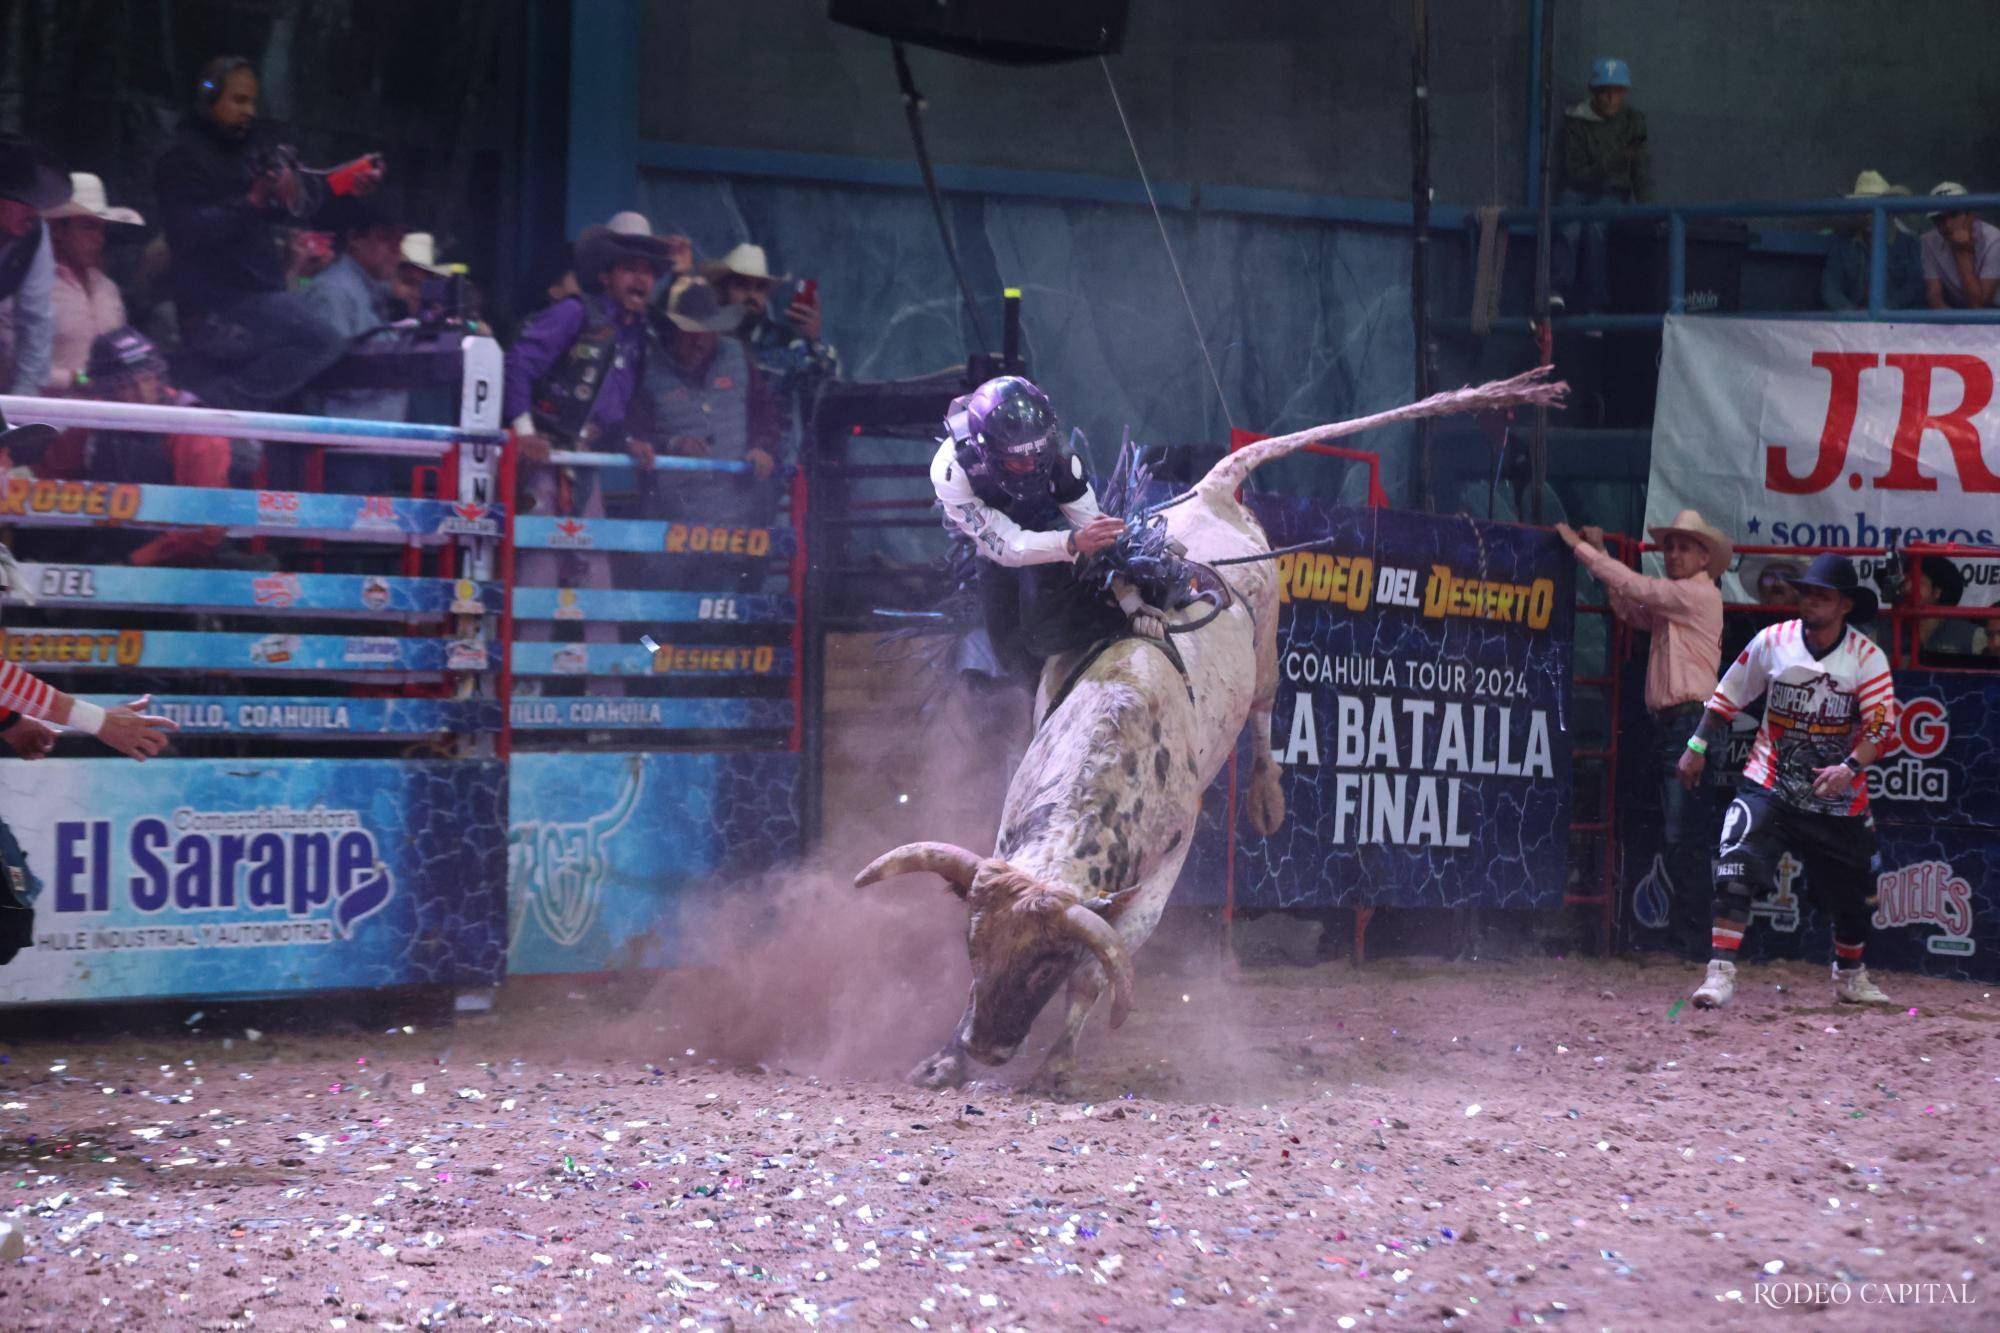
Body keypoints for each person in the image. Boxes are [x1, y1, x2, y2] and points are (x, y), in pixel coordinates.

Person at [1677, 553, 1899, 1009]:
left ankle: (1850, 976)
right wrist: (1696, 746)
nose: (1812, 601)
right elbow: (1728, 695)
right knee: (1736, 867)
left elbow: (1881, 728)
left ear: (1844, 607)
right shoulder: (1772, 641)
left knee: (1856, 895)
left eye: (1823, 595)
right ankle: (1719, 973)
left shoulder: (1866, 658)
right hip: (1770, 781)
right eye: (1808, 592)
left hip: (1836, 796)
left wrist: (1849, 769)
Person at [503, 221, 676, 695]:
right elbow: (518, 363)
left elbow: (614, 406)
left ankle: (606, 703)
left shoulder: (637, 333)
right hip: (544, 462)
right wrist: (525, 433)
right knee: (538, 577)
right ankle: (522, 699)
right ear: (607, 275)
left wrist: (628, 441)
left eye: (648, 271)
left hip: (584, 464)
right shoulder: (571, 314)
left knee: (597, 583)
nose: (640, 281)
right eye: (629, 269)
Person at [153, 55, 383, 408]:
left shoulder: (252, 152)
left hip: (259, 300)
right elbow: (186, 231)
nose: (249, 111)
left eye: (253, 102)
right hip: (218, 305)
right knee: (320, 341)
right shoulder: (181, 158)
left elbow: (297, 207)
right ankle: (208, 405)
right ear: (209, 97)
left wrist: (344, 183)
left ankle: (221, 409)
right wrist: (252, 200)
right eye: (239, 100)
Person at [1557, 510, 1728, 959]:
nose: (1672, 554)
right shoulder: (1687, 600)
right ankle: (1693, 941)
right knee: (1683, 834)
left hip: (1690, 724)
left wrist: (1585, 551)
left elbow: (1639, 591)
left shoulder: (1693, 596)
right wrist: (1602, 555)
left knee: (1683, 836)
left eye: (1683, 547)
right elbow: (1633, 606)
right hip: (1685, 724)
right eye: (1670, 547)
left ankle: (1691, 943)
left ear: (1704, 556)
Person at [930, 375, 1142, 679]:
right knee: (1010, 653)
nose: (1031, 465)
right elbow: (1004, 544)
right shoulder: (952, 470)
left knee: (1042, 635)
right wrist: (1071, 543)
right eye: (1018, 460)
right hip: (1000, 543)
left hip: (1052, 524)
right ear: (985, 452)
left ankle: (1119, 622)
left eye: (1037, 454)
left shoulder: (1060, 453)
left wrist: (1128, 593)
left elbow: (1089, 523)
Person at [702, 242, 839, 458]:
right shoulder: (701, 339)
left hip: (773, 467)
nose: (752, 295)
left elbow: (826, 389)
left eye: (759, 288)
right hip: (715, 462)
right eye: (742, 286)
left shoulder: (786, 343)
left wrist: (813, 340)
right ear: (722, 290)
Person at [299, 191, 409, 425]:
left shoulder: (373, 292)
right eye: (385, 238)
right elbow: (332, 375)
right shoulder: (333, 293)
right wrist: (399, 369)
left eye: (399, 242)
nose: (395, 250)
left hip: (369, 437)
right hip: (338, 439)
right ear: (354, 239)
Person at [1555, 58, 1650, 312]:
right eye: (1604, 91)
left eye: (1617, 92)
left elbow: (1640, 170)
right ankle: (1558, 292)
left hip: (1612, 193)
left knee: (1596, 225)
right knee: (1570, 221)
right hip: (1578, 191)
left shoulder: (1633, 121)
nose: (1610, 98)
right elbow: (1575, 173)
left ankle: (1595, 304)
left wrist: (1649, 210)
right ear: (1593, 92)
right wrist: (1615, 160)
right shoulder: (1576, 120)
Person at [0, 133, 69, 396]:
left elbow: (36, 317)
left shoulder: (34, 235)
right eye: (22, 201)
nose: (33, 211)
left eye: (36, 201)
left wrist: (25, 396)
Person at [1820, 171, 1925, 313]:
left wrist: (1882, 312)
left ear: (1891, 212)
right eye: (1864, 208)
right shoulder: (1843, 244)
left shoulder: (1909, 244)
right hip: (1852, 325)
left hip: (1897, 325)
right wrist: (1851, 315)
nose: (1868, 215)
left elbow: (1914, 288)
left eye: (1875, 209)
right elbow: (1831, 287)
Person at [1920, 182, 2000, 310]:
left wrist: (1961, 253)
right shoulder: (1928, 240)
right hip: (1954, 318)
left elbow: (1978, 305)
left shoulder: (1994, 238)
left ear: (1970, 215)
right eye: (1938, 218)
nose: (1947, 224)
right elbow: (1935, 297)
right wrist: (1955, 327)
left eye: (1953, 215)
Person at [1913, 554, 1980, 664]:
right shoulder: (1884, 630)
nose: (1908, 587)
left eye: (1918, 582)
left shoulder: (1972, 635)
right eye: (1906, 580)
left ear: (1936, 592)